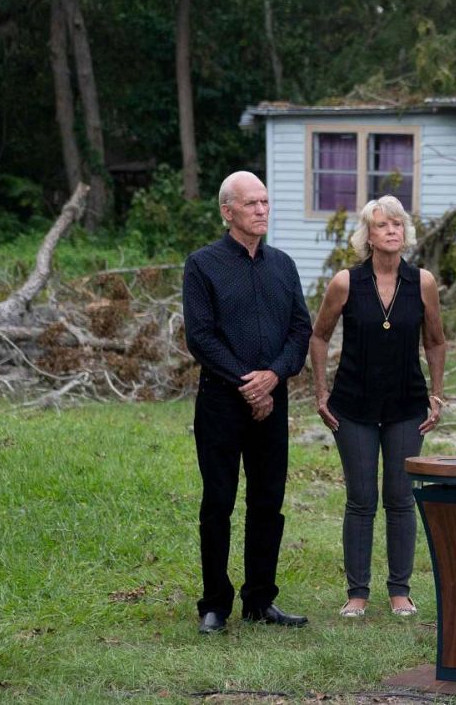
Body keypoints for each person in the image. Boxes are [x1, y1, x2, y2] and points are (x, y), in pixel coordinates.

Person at [182, 170, 312, 634]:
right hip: (221, 402)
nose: (261, 210)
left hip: (273, 403)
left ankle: (260, 599)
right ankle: (214, 604)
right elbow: (200, 336)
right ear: (227, 211)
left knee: (267, 502)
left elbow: (300, 329)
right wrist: (248, 383)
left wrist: (273, 376)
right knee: (218, 502)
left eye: (265, 201)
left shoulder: (283, 266)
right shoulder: (203, 265)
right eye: (251, 203)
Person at [308, 196, 446, 619]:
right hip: (353, 407)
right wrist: (321, 392)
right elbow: (319, 336)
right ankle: (358, 593)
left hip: (406, 405)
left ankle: (400, 592)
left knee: (401, 498)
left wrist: (437, 394)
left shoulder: (422, 282)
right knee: (361, 499)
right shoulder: (346, 282)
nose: (391, 231)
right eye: (383, 225)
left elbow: (435, 341)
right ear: (367, 235)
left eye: (397, 224)